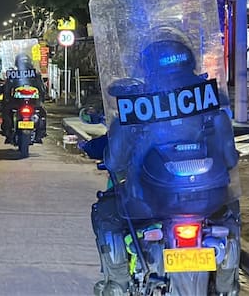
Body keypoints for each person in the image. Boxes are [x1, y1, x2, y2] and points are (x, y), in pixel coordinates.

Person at [90, 34, 240, 296]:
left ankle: (118, 283)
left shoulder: (137, 107)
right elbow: (230, 159)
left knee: (105, 213)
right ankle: (227, 284)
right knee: (230, 215)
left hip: (149, 203)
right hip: (207, 200)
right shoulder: (209, 104)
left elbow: (114, 161)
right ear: (189, 62)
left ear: (148, 68)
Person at [0, 52, 47, 141]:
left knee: (6, 111)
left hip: (19, 103)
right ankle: (40, 132)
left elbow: (7, 89)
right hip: (30, 103)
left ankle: (9, 131)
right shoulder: (35, 74)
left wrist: (6, 99)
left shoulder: (14, 74)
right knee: (42, 112)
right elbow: (42, 89)